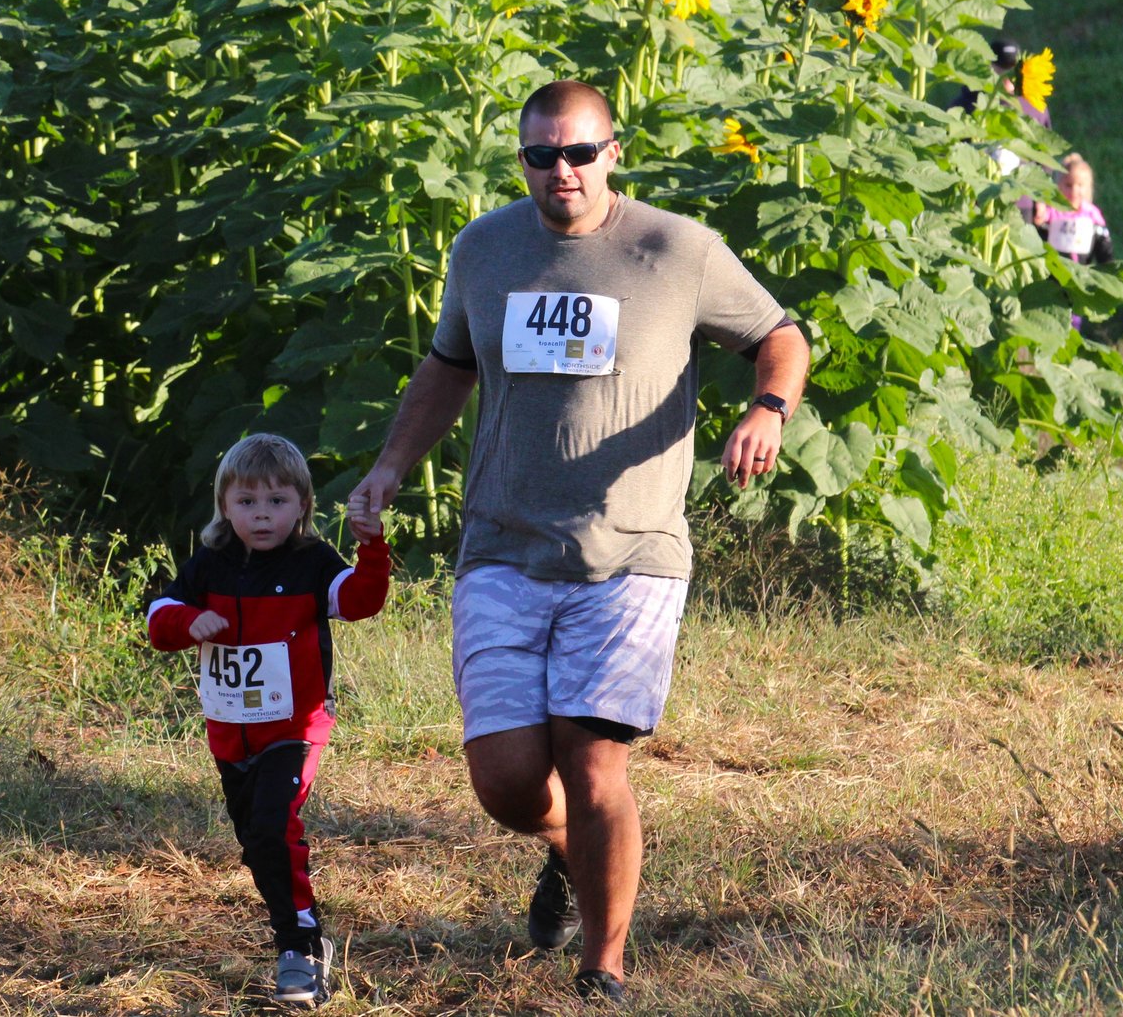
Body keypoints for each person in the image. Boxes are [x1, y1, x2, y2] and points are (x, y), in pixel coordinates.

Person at [344, 80, 808, 1005]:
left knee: (594, 758)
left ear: (613, 151)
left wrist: (768, 409)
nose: (561, 171)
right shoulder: (484, 248)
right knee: (509, 783)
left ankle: (604, 966)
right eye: (541, 155)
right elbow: (448, 367)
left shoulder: (675, 249)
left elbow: (781, 335)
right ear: (520, 159)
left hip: (631, 549)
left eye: (579, 153)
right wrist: (391, 465)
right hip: (502, 544)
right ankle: (564, 851)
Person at [147, 432, 392, 1007]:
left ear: (303, 505)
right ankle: (295, 925)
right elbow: (159, 618)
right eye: (248, 502)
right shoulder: (210, 564)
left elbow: (360, 601)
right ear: (224, 506)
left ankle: (300, 946)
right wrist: (188, 622)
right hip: (230, 730)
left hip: (296, 724)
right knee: (257, 842)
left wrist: (372, 548)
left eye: (277, 501)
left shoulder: (311, 563)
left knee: (272, 824)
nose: (262, 515)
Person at [1032, 153, 1113, 266]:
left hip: (1082, 271)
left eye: (1080, 185)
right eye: (1068, 185)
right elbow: (1039, 226)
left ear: (1088, 187)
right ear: (1059, 185)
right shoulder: (1052, 211)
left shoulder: (1092, 214)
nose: (1074, 191)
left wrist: (1107, 265)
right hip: (1054, 271)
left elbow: (1103, 244)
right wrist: (1038, 218)